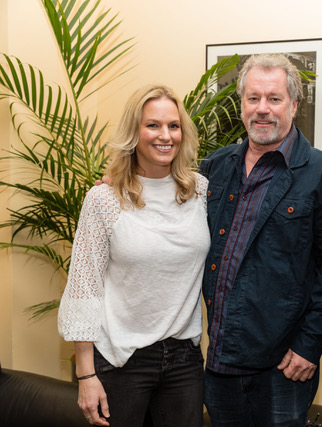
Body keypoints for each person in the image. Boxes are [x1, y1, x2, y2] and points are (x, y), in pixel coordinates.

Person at [198, 53, 322, 425]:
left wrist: (310, 345)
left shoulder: (321, 173)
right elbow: (167, 211)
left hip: (285, 365)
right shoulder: (214, 167)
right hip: (219, 358)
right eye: (253, 98)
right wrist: (118, 187)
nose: (262, 109)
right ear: (242, 104)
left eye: (274, 99)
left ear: (293, 106)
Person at [58, 85, 210, 426]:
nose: (165, 135)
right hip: (121, 360)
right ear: (133, 132)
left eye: (173, 125)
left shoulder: (199, 189)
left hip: (184, 357)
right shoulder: (104, 199)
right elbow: (84, 287)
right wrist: (85, 375)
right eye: (152, 125)